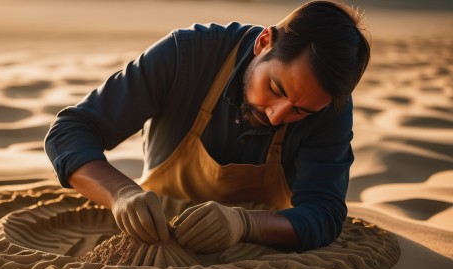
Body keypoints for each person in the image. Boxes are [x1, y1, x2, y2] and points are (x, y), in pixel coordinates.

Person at [45, 1, 370, 253]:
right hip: (156, 225)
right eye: (275, 89)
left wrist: (244, 225)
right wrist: (121, 193)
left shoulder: (328, 107)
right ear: (264, 42)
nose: (276, 116)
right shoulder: (185, 55)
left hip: (254, 246)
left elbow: (324, 212)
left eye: (300, 110)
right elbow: (70, 130)